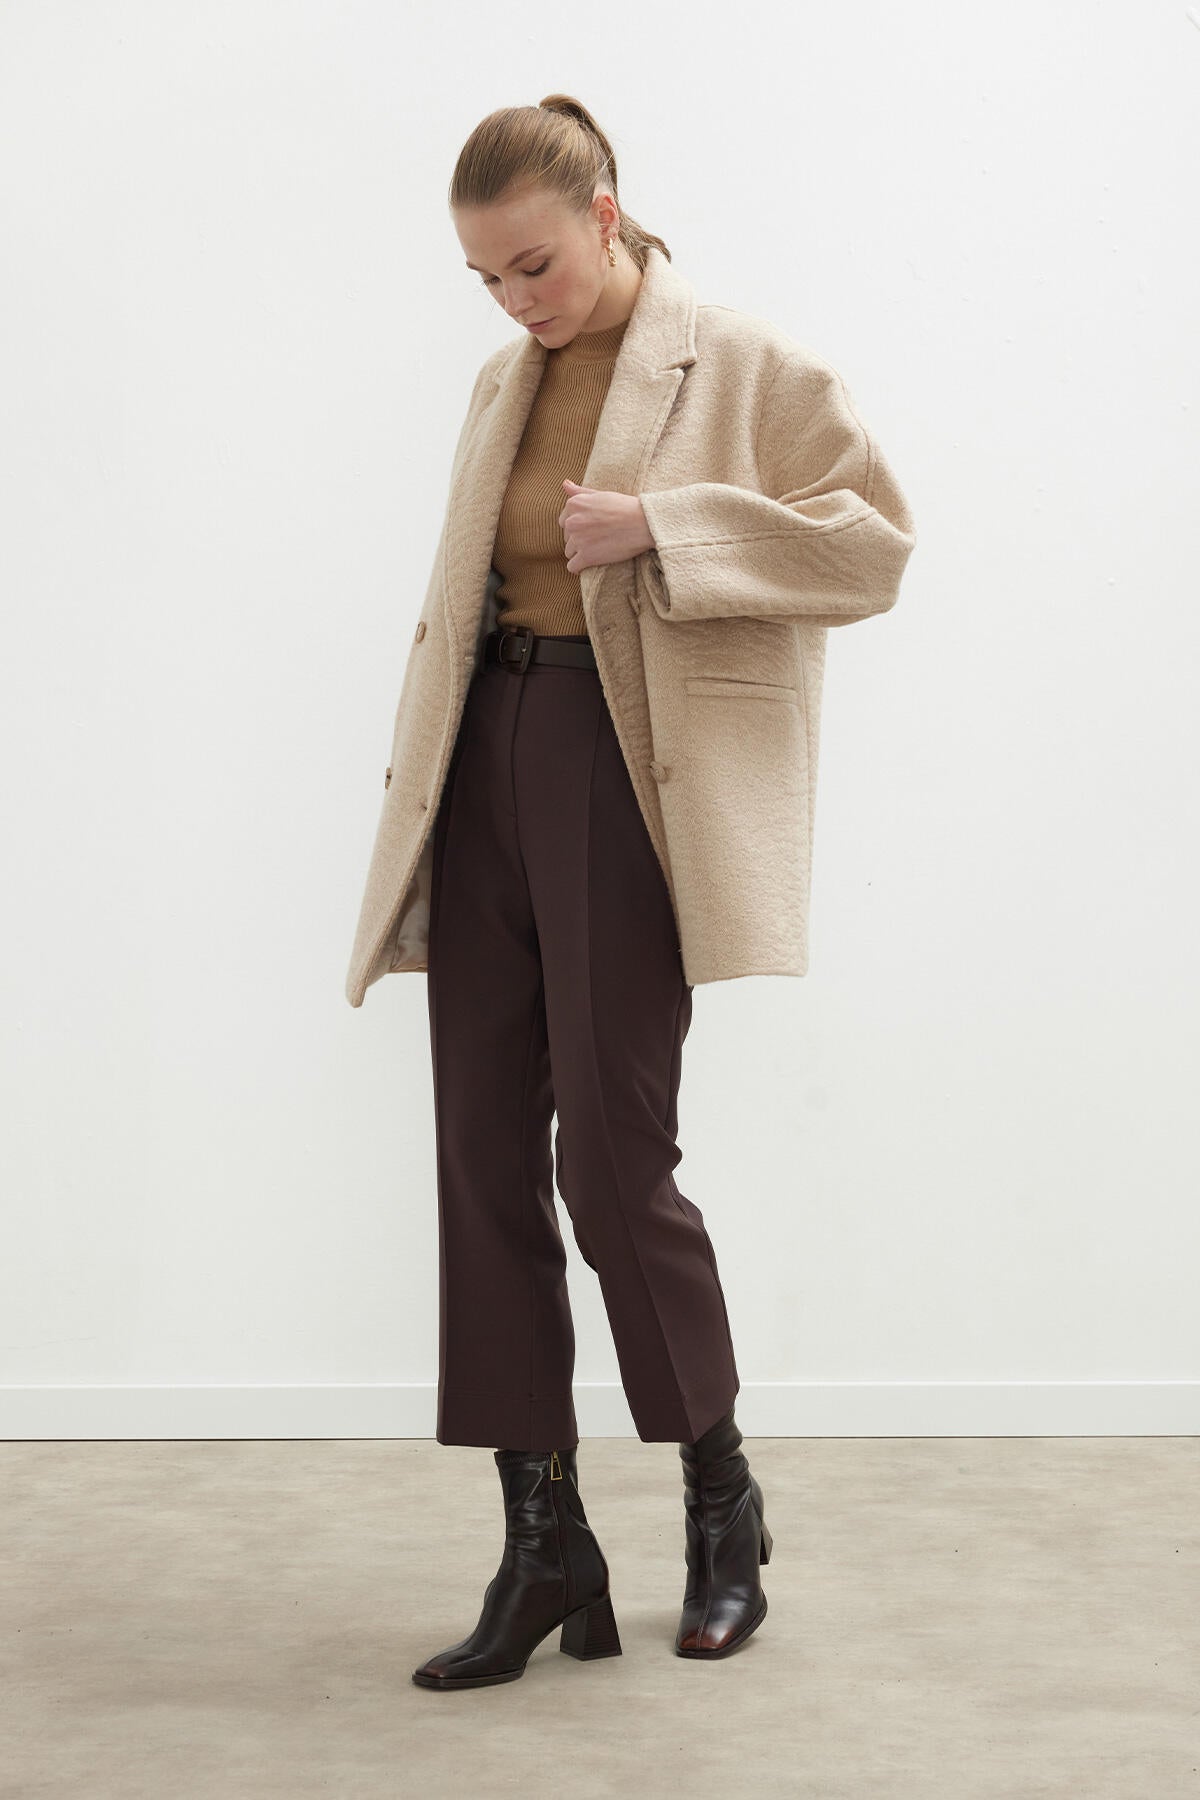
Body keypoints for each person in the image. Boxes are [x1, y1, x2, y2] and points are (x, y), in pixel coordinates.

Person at [344, 93, 917, 1691]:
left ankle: (721, 1501)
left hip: (622, 763)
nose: (515, 301)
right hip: (485, 758)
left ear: (607, 213)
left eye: (533, 264)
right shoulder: (503, 380)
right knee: (479, 1153)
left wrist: (665, 526)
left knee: (609, 1158)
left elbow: (871, 545)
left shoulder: (740, 365)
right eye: (486, 279)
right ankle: (545, 1543)